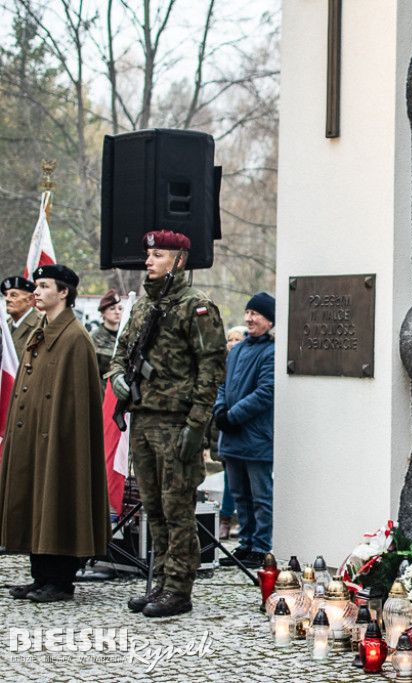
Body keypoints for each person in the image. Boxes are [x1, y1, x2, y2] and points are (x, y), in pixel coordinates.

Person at [109, 230, 227, 618]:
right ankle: (160, 581)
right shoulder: (144, 306)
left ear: (178, 260)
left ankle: (179, 589)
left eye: (157, 255)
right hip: (144, 419)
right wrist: (117, 377)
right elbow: (120, 353)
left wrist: (196, 426)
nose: (148, 261)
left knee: (178, 510)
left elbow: (211, 369)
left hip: (176, 423)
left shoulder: (197, 307)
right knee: (153, 507)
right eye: (149, 254)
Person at [0, 264, 111, 602]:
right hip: (34, 436)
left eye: (45, 286)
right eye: (36, 285)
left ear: (64, 292)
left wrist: (61, 438)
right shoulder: (41, 332)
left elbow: (76, 403)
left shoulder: (75, 337)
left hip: (61, 440)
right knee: (36, 499)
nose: (37, 291)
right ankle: (41, 575)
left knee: (59, 499)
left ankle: (60, 581)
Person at [214, 294, 275, 570]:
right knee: (239, 494)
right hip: (232, 436)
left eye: (256, 314)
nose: (249, 318)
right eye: (247, 312)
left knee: (261, 496)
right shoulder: (237, 350)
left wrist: (234, 416)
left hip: (256, 436)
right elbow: (223, 385)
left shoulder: (272, 352)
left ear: (270, 320)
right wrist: (219, 412)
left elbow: (266, 392)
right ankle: (246, 543)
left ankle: (262, 546)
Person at [214, 325, 247, 540]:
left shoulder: (249, 362)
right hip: (225, 431)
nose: (232, 343)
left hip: (247, 431)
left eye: (237, 339)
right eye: (230, 339)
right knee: (230, 479)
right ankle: (224, 519)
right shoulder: (224, 364)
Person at [89, 288, 122, 395]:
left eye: (120, 308)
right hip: (102, 392)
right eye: (112, 309)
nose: (117, 312)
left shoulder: (126, 335)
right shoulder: (94, 337)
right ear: (103, 313)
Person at [3, 275, 45, 358]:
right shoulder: (6, 325)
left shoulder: (41, 325)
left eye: (13, 295)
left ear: (29, 299)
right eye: (6, 295)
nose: (7, 299)